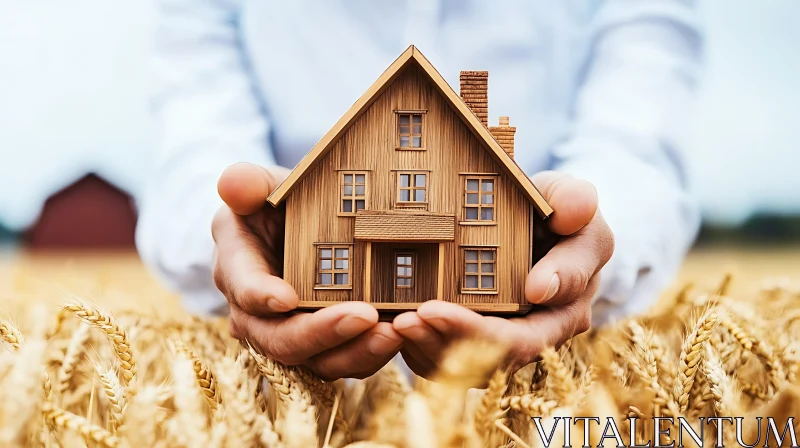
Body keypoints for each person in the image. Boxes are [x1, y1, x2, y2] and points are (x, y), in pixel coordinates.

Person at [136, 0, 702, 380]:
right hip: (285, 397)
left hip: (544, 384)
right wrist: (240, 238)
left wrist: (590, 242)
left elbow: (640, 126)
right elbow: (194, 130)